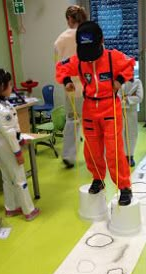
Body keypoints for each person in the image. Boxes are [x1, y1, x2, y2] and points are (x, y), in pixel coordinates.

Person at [56, 21, 135, 206]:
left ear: (101, 41)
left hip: (110, 107)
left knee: (114, 150)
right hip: (90, 108)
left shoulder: (112, 57)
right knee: (92, 149)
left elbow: (129, 64)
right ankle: (98, 179)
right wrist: (66, 80)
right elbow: (61, 67)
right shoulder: (79, 59)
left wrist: (119, 81)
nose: (89, 58)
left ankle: (124, 187)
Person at [0, 69, 39, 220]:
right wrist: (17, 152)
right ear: (1, 87)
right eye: (10, 83)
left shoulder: (0, 104)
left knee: (7, 176)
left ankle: (11, 207)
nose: (12, 86)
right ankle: (28, 210)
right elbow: (9, 133)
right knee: (19, 177)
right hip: (6, 144)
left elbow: (12, 130)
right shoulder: (1, 109)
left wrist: (20, 139)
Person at [54, 5, 87, 168]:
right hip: (89, 87)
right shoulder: (89, 34)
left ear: (69, 19)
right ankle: (97, 155)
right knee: (92, 122)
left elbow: (59, 65)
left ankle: (68, 155)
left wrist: (66, 81)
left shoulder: (60, 39)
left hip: (70, 88)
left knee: (72, 121)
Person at [118, 78, 143, 167]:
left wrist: (127, 98)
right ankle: (123, 156)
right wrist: (127, 96)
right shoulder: (118, 81)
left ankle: (130, 155)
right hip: (119, 110)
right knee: (121, 133)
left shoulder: (137, 82)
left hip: (132, 111)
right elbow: (115, 95)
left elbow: (139, 97)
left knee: (132, 133)